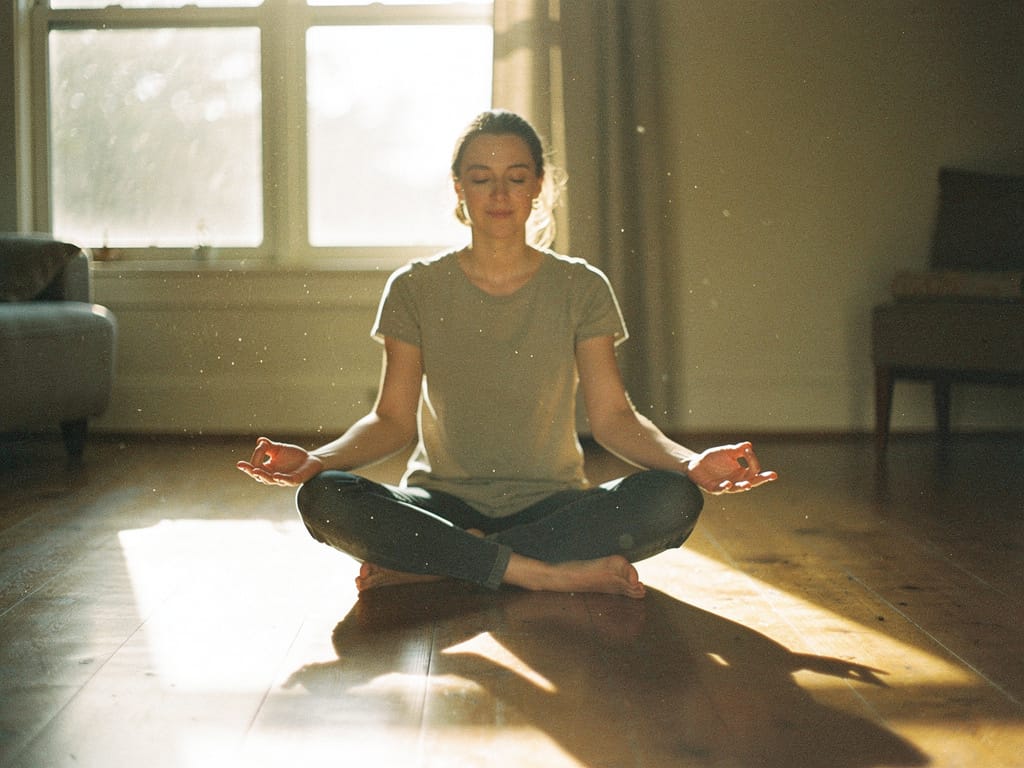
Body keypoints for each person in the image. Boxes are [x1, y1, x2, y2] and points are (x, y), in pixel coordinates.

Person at [237, 109, 776, 599]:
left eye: (516, 178)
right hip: (440, 503)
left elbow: (614, 418)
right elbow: (391, 420)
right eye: (481, 178)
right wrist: (318, 460)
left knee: (674, 498)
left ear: (538, 185)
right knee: (324, 496)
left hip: (553, 506)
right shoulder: (414, 287)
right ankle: (540, 573)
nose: (499, 194)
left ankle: (445, 563)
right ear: (459, 188)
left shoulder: (581, 286)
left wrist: (690, 463)